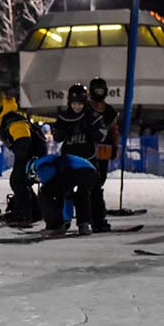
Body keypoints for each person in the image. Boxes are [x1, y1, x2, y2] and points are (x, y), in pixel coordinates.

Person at [52, 83, 107, 229]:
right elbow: (56, 136)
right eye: (74, 103)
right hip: (69, 160)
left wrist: (90, 130)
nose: (77, 107)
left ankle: (93, 221)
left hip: (88, 160)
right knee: (65, 191)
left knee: (92, 191)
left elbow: (101, 135)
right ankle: (64, 219)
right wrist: (63, 132)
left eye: (80, 104)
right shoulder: (64, 117)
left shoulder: (92, 116)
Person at [0, 102, 47, 227]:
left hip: (31, 153)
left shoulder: (11, 120)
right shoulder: (8, 118)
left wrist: (21, 160)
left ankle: (24, 215)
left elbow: (23, 139)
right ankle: (34, 211)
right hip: (33, 152)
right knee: (20, 180)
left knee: (18, 180)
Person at [27, 153, 98, 237]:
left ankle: (54, 225)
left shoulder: (39, 164)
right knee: (81, 195)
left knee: (47, 192)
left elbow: (49, 179)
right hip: (91, 171)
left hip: (73, 171)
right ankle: (84, 224)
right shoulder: (49, 159)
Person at [87, 77, 119, 232]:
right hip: (88, 150)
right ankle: (95, 215)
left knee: (101, 180)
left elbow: (114, 130)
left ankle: (93, 212)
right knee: (93, 183)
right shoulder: (86, 108)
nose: (99, 93)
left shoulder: (110, 111)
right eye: (96, 90)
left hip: (103, 150)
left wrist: (115, 148)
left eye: (101, 90)